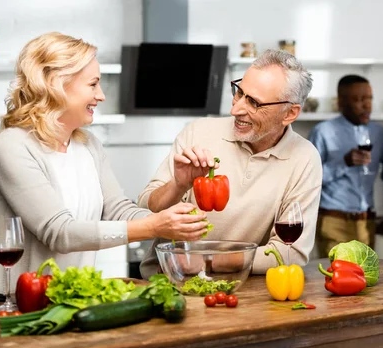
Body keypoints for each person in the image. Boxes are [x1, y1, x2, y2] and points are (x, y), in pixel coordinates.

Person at [0, 32, 207, 294]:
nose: (101, 95)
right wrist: (154, 226)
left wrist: (169, 219)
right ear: (56, 84)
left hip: (64, 296)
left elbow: (119, 211)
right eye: (93, 84)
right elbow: (59, 232)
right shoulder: (12, 146)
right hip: (6, 300)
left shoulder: (88, 145)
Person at [137, 49, 323, 278]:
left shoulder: (304, 158)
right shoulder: (198, 132)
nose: (235, 109)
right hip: (169, 281)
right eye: (239, 93)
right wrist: (177, 185)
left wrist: (208, 260)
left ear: (289, 113)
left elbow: (290, 251)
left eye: (254, 102)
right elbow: (146, 209)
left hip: (242, 290)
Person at [309, 74, 383, 256]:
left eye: (369, 98)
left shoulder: (379, 133)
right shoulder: (322, 132)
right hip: (332, 222)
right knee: (337, 279)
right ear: (342, 102)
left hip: (367, 223)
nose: (366, 105)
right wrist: (343, 163)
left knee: (366, 279)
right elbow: (309, 180)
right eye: (359, 99)